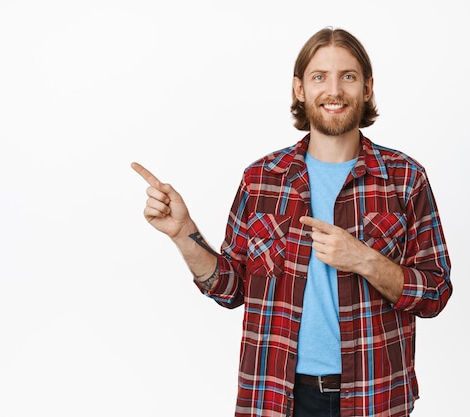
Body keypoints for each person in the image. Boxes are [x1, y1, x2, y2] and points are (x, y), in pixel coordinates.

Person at [132, 27, 452, 417]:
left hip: (375, 396)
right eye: (320, 77)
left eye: (347, 77)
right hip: (277, 397)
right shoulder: (262, 179)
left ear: (367, 88)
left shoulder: (405, 178)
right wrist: (183, 234)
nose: (333, 90)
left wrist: (364, 259)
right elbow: (231, 288)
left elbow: (435, 292)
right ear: (299, 89)